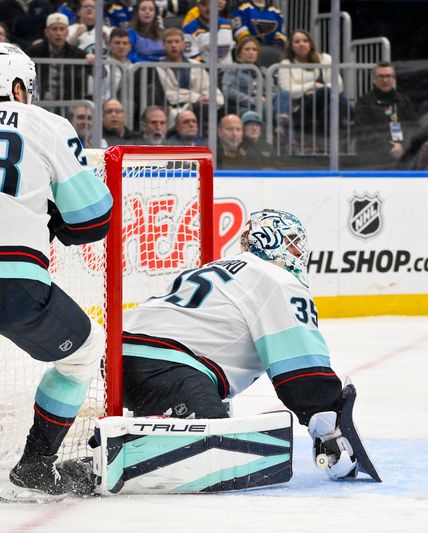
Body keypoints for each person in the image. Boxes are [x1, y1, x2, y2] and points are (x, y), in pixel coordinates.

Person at [121, 208, 372, 481]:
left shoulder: (217, 267)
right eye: (292, 243)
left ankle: (141, 434)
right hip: (169, 366)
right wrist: (329, 429)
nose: (299, 253)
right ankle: (100, 466)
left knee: (212, 434)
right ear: (271, 241)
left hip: (118, 357)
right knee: (214, 458)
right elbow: (301, 371)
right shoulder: (278, 281)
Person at [0, 43, 112, 502]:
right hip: (15, 283)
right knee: (83, 352)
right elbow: (93, 220)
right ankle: (35, 464)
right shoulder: (45, 123)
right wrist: (55, 219)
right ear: (20, 87)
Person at [276, 29, 350, 139]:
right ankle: (351, 112)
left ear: (311, 43)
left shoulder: (325, 59)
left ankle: (331, 147)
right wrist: (313, 86)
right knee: (326, 92)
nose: (301, 44)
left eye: (305, 41)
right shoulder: (286, 64)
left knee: (330, 107)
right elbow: (288, 90)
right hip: (301, 106)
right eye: (297, 42)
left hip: (324, 103)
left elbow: (338, 85)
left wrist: (321, 89)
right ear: (291, 46)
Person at [353, 61, 418, 169]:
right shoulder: (365, 102)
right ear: (373, 79)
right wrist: (389, 147)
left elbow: (412, 127)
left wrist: (403, 146)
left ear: (394, 78)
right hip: (374, 157)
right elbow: (363, 131)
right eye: (381, 76)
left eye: (388, 76)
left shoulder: (403, 101)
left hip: (402, 155)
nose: (385, 80)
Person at [155, 27, 224, 127]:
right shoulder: (158, 68)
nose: (173, 45)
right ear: (163, 45)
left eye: (177, 41)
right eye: (169, 42)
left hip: (201, 106)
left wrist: (210, 99)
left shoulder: (196, 65)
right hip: (174, 107)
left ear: (184, 44)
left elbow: (208, 87)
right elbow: (169, 93)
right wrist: (196, 98)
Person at [26, 13, 89, 101]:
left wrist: (91, 59)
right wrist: (41, 92)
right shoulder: (35, 51)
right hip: (41, 103)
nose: (58, 33)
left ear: (67, 32)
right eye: (54, 29)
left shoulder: (75, 53)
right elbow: (25, 77)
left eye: (62, 29)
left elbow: (102, 73)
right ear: (47, 32)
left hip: (68, 104)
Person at [222, 36, 269, 114]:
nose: (251, 52)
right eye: (247, 49)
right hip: (243, 107)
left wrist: (267, 99)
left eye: (254, 50)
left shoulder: (264, 71)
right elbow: (228, 90)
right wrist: (251, 100)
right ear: (239, 53)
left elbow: (273, 90)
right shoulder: (233, 69)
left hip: (264, 106)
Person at [231, 0, 286, 67]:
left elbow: (281, 34)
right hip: (248, 53)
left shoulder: (276, 11)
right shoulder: (241, 8)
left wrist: (276, 45)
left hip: (271, 54)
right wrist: (254, 45)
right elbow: (239, 31)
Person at [183, 0, 235, 64]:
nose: (209, 8)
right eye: (204, 5)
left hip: (229, 72)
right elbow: (191, 57)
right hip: (202, 72)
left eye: (212, 4)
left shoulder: (226, 24)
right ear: (198, 6)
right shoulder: (189, 30)